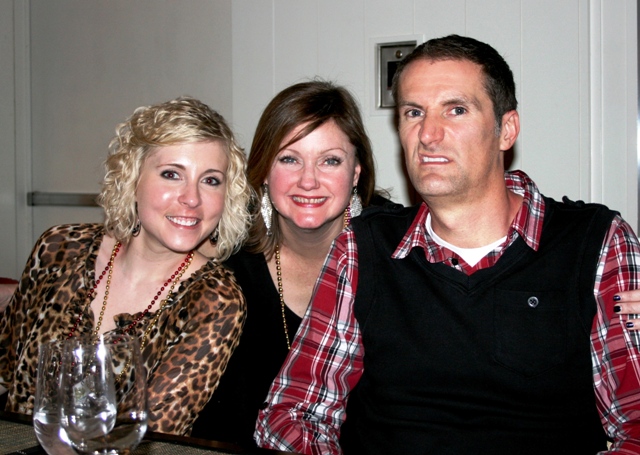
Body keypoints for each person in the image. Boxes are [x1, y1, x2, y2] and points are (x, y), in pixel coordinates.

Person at [255, 35, 640, 454]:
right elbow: (293, 414)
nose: (428, 134)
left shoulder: (597, 244)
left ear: (507, 129)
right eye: (414, 112)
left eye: (456, 110)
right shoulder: (363, 248)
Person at [0, 96, 253, 436]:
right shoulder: (59, 247)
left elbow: (151, 435)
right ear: (132, 179)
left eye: (210, 180)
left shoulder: (215, 301)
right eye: (171, 174)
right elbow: (8, 371)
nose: (192, 198)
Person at [190, 80, 387, 446]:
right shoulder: (227, 267)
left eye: (330, 160)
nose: (308, 181)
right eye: (290, 159)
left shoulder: (396, 253)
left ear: (356, 173)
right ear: (265, 170)